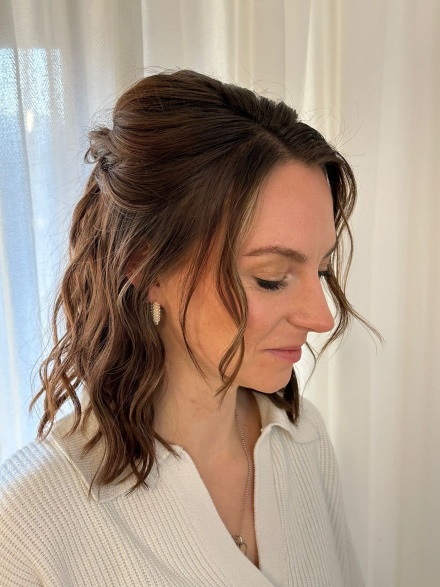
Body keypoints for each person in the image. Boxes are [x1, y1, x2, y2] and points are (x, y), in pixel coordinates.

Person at [0, 69, 380, 586]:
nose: (321, 317)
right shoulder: (29, 524)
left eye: (321, 270)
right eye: (271, 278)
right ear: (145, 265)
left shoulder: (301, 438)